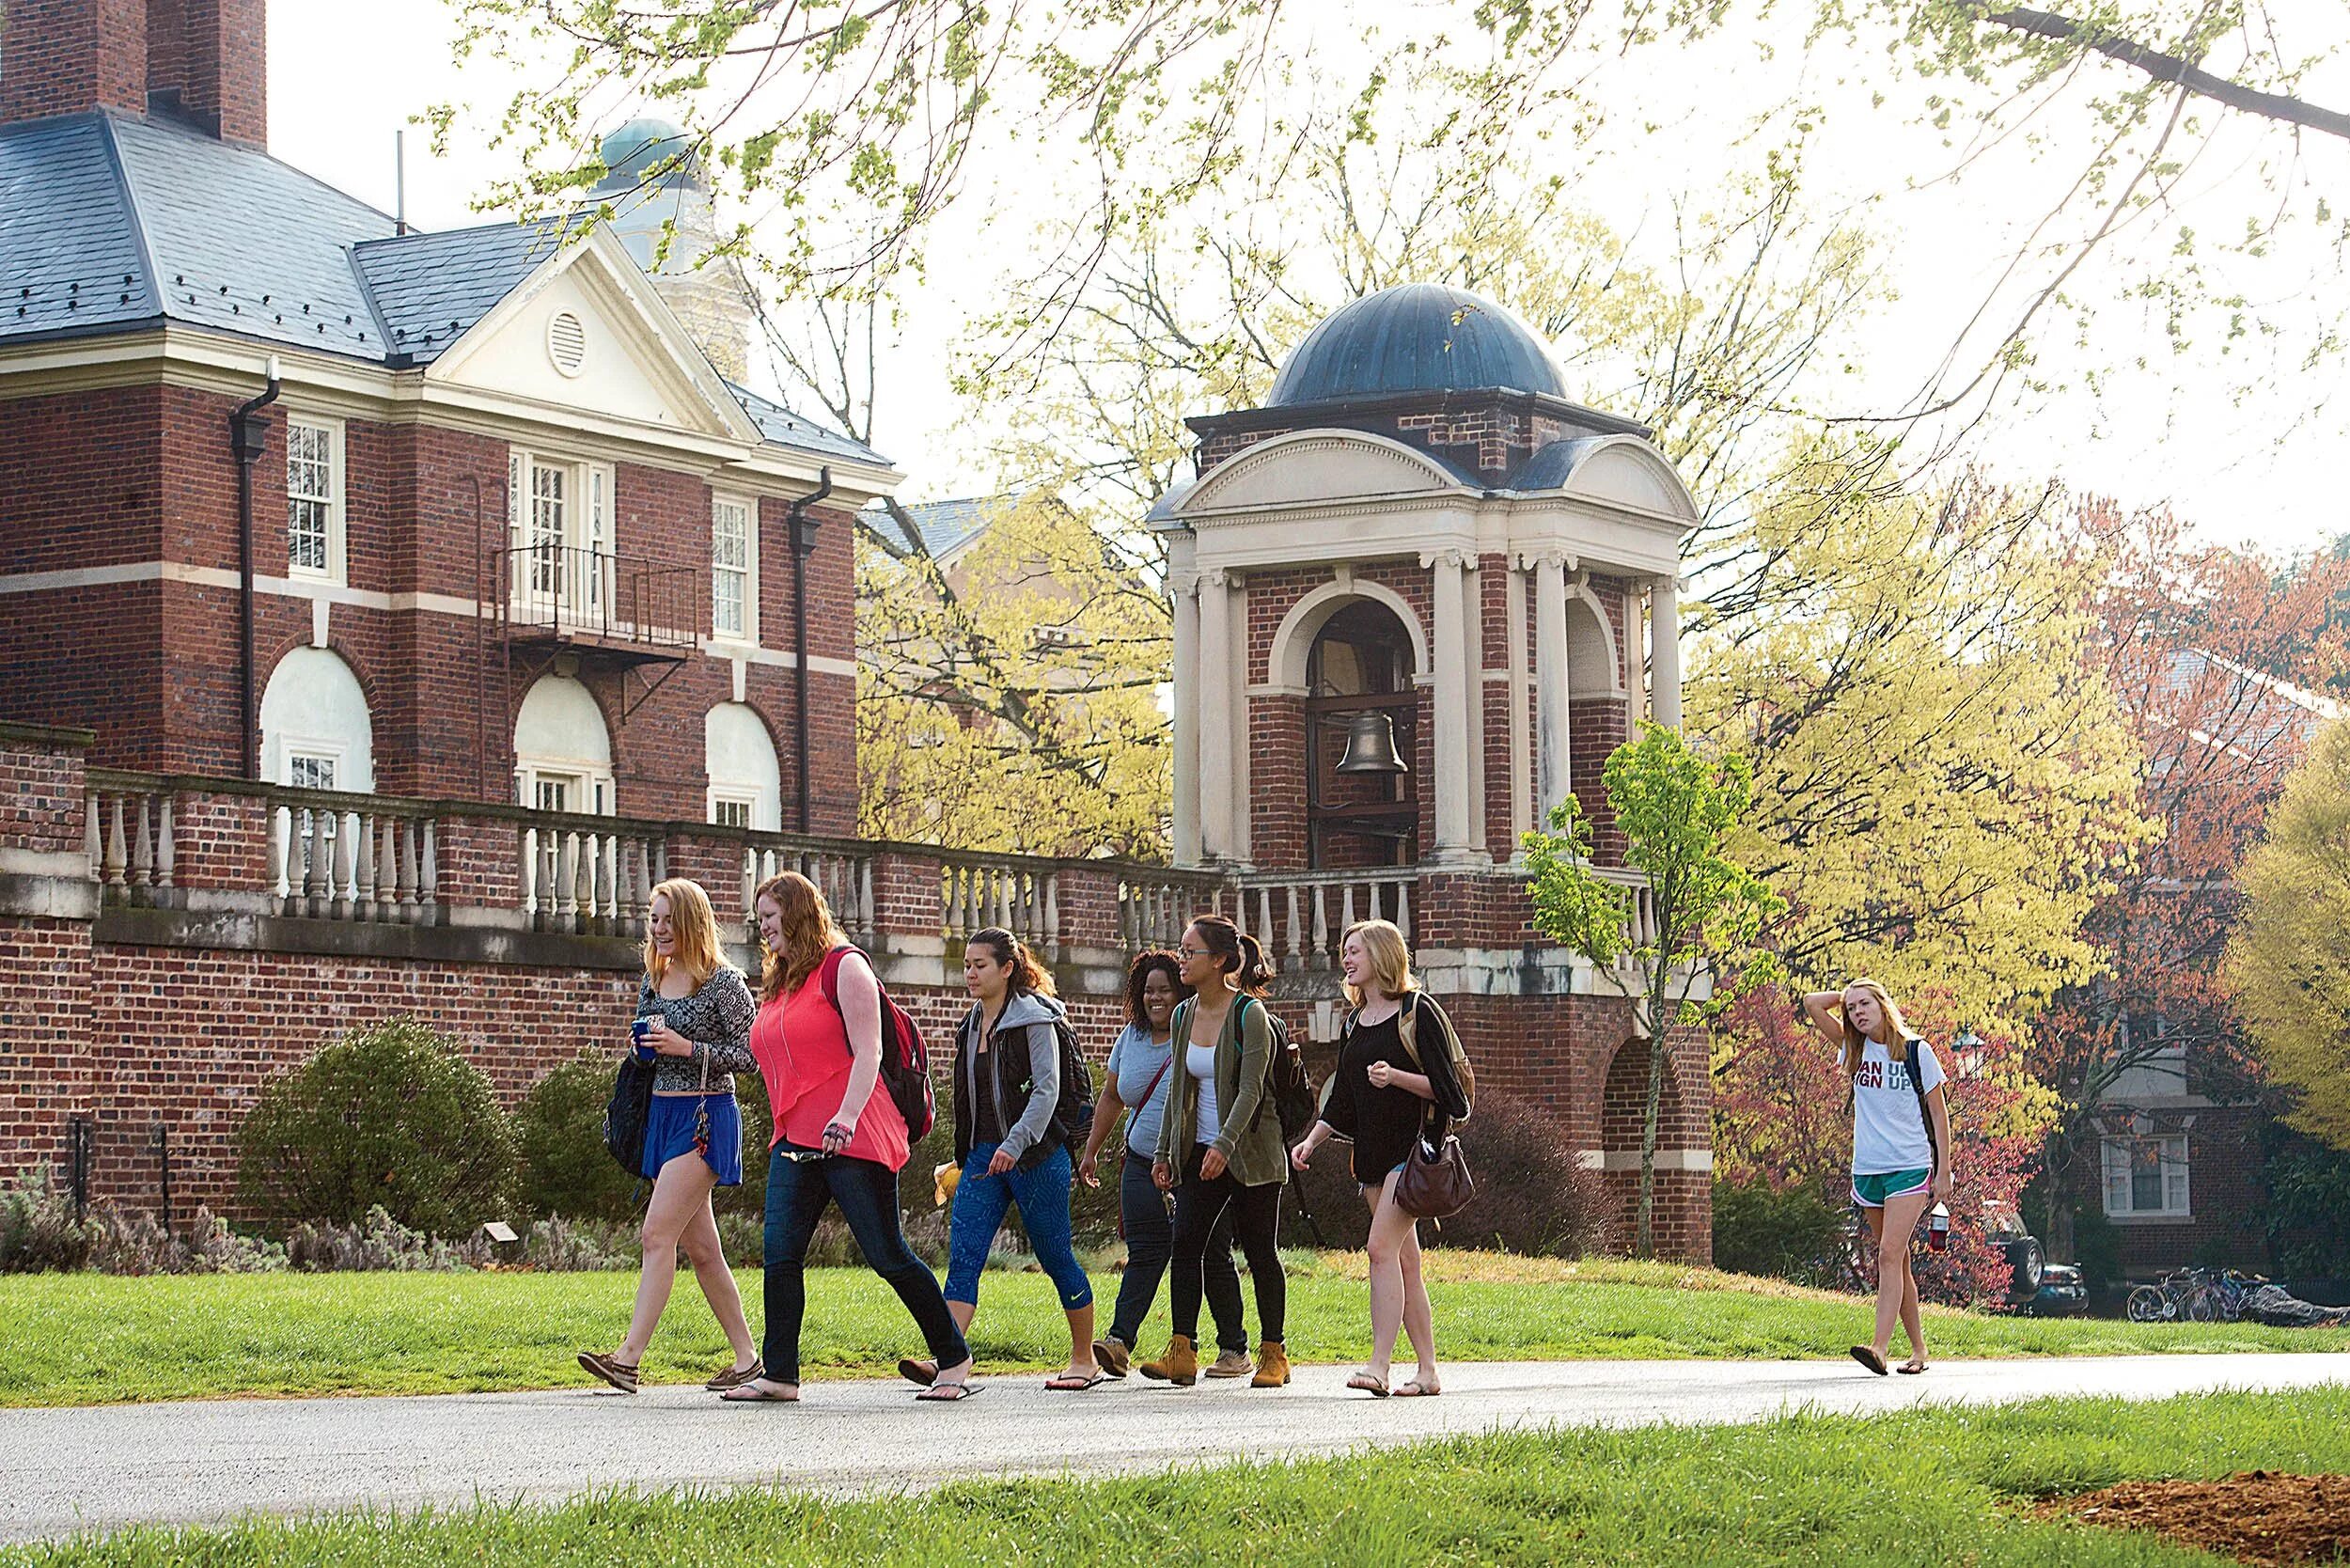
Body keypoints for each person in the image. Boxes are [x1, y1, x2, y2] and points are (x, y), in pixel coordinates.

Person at [721, 871, 979, 1403]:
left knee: (887, 1253)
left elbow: (870, 1052)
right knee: (780, 1253)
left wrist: (844, 1115)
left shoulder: (846, 967)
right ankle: (780, 1374)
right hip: (796, 1138)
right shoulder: (781, 980)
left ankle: (953, 1359)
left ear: (796, 915)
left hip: (854, 1133)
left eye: (770, 917)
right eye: (760, 917)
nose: (762, 927)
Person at [577, 878, 760, 1395]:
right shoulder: (653, 978)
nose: (658, 929)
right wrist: (644, 1050)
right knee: (703, 1251)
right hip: (661, 1117)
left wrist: (686, 1048)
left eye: (667, 920)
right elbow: (645, 1047)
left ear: (690, 922)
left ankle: (628, 1359)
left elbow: (751, 1055)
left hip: (705, 1120)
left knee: (657, 1235)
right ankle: (748, 1359)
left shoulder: (723, 983)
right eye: (653, 919)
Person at [910, 928, 1104, 1391]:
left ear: (1008, 968)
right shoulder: (971, 1024)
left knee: (1055, 1254)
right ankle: (950, 1358)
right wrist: (970, 1150)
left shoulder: (1036, 1019)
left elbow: (1047, 1090)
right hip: (981, 1157)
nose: (970, 973)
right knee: (965, 1256)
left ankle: (1084, 1359)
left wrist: (1014, 1144)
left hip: (1035, 1155)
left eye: (981, 965)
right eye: (966, 965)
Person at [1290, 918, 1470, 1398]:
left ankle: (1379, 1366)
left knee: (1379, 1250)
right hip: (1371, 1157)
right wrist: (1312, 1140)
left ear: (1382, 957)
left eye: (1354, 952)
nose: (1345, 960)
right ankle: (1428, 1371)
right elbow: (1344, 1098)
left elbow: (1453, 1096)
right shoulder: (1353, 1022)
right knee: (1406, 1263)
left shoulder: (1418, 1012)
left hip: (1411, 1155)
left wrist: (1398, 1078)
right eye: (1343, 952)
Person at [1077, 949, 1253, 1380]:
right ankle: (1119, 1342)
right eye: (1148, 990)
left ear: (1182, 991)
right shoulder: (1130, 1039)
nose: (1156, 998)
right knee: (1145, 1250)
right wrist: (1091, 1150)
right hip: (1141, 1159)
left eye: (1165, 990)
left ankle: (1234, 1348)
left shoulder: (1198, 1031)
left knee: (1208, 1252)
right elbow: (1113, 1098)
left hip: (1195, 1162)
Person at [1146, 914, 1291, 1389]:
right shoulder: (1185, 1014)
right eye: (1182, 950)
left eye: (1191, 952)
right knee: (1185, 1245)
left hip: (1249, 1153)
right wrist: (1165, 1151)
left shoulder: (1251, 1016)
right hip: (1199, 1150)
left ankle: (1274, 1354)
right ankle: (1182, 1351)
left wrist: (1224, 1145)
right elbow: (1177, 1089)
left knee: (1259, 1252)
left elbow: (1251, 1090)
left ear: (1221, 961)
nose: (1182, 959)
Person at [1803, 980, 1952, 1376]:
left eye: (1865, 1004)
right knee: (1897, 1262)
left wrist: (1944, 1170)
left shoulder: (1917, 1051)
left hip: (1909, 1165)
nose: (1857, 1013)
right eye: (1852, 1009)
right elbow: (1812, 1004)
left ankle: (1879, 1348)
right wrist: (1845, 994)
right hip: (1868, 1169)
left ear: (1883, 1004)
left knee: (1888, 1254)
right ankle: (1919, 1351)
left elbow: (1939, 1113)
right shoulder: (1853, 1050)